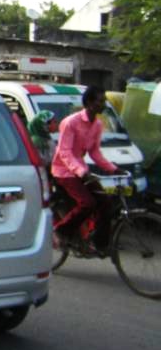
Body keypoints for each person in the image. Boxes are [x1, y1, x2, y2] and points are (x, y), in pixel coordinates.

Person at [51, 85, 118, 255]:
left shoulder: (97, 125)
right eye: (100, 101)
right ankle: (61, 230)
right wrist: (81, 171)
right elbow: (64, 152)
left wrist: (113, 168)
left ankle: (98, 242)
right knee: (87, 203)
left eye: (104, 101)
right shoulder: (70, 123)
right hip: (64, 172)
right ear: (89, 102)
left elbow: (94, 152)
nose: (103, 104)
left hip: (80, 170)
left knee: (106, 201)